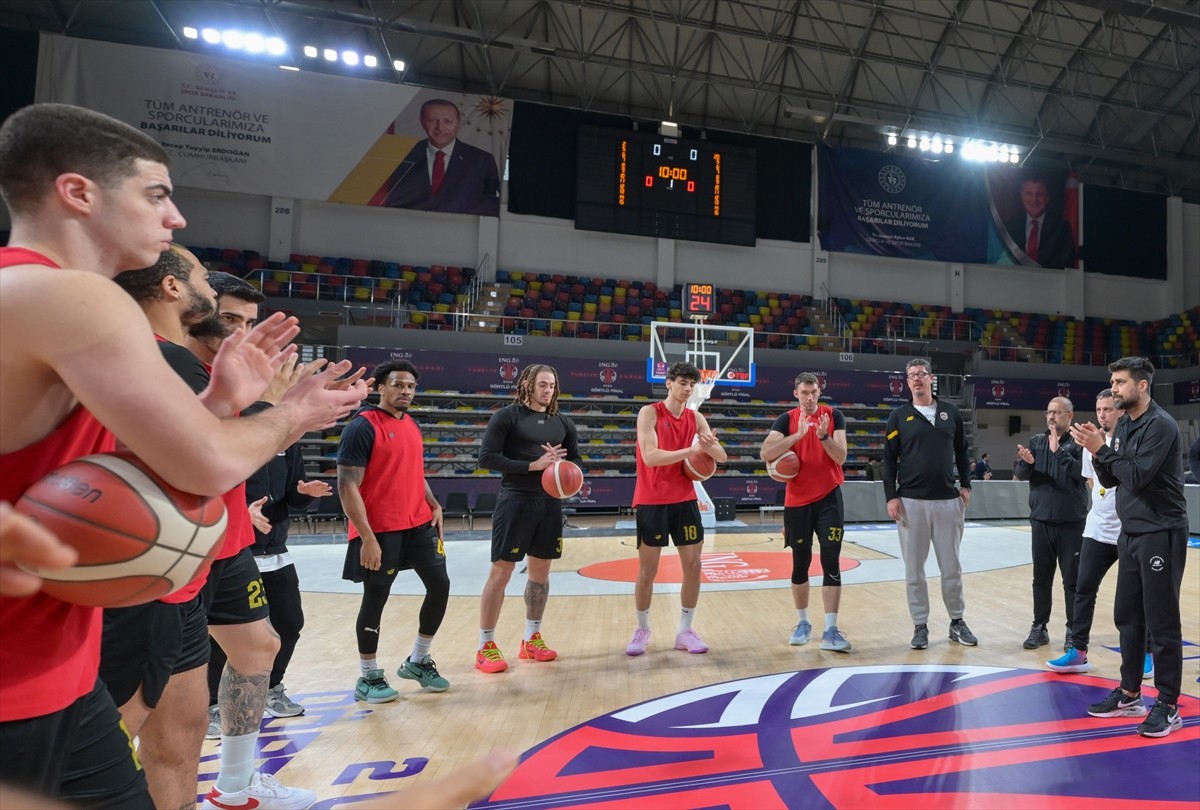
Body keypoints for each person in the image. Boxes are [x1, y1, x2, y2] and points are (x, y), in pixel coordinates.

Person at [0, 103, 366, 808]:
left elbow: (130, 467)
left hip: (58, 671)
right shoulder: (72, 296)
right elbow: (202, 467)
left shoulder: (36, 293)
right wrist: (293, 412)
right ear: (78, 193)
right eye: (157, 194)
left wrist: (219, 406)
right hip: (18, 679)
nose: (177, 220)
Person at [109, 252, 323, 810]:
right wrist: (281, 409)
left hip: (215, 544)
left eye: (251, 323)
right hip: (166, 558)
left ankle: (234, 785)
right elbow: (208, 454)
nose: (243, 333)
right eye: (233, 320)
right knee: (137, 726)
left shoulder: (212, 374)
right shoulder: (166, 363)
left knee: (257, 649)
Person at [1070, 357, 1189, 738]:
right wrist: (1096, 448)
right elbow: (1112, 478)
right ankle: (1129, 692)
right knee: (1128, 617)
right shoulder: (1123, 426)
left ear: (1142, 386)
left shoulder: (1161, 426)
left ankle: (1169, 705)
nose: (1114, 388)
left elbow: (1136, 475)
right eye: (1112, 381)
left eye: (1120, 382)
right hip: (1132, 532)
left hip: (1161, 531)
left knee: (1162, 622)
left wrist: (1102, 449)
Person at [338, 360, 451, 702]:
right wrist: (367, 538)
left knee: (440, 586)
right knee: (376, 598)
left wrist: (433, 503)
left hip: (418, 523)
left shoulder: (412, 425)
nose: (406, 391)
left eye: (411, 387)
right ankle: (368, 676)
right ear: (380, 388)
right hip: (381, 530)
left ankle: (418, 660)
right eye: (398, 385)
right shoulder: (362, 426)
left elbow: (414, 472)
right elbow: (346, 485)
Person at [475, 364, 581, 673]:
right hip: (515, 501)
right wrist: (533, 466)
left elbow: (576, 460)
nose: (548, 390)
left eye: (552, 384)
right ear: (528, 385)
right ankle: (485, 645)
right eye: (543, 384)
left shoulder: (563, 422)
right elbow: (487, 457)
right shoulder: (507, 416)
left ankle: (531, 638)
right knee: (501, 571)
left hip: (548, 505)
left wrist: (564, 468)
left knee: (541, 573)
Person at [1046, 390, 1154, 680]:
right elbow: (1092, 482)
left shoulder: (1133, 440)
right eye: (1098, 408)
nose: (1102, 414)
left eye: (1108, 408)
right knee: (1083, 589)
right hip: (1097, 530)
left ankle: (1144, 652)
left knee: (1138, 597)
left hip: (1129, 530)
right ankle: (1078, 651)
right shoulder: (1088, 443)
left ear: (1120, 412)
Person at [627, 362, 727, 656]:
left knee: (694, 566)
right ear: (668, 383)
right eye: (682, 382)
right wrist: (692, 451)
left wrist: (708, 445)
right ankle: (642, 629)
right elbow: (650, 456)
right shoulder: (650, 413)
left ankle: (685, 631)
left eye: (691, 384)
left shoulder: (696, 418)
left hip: (684, 500)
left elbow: (720, 456)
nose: (687, 389)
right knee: (648, 570)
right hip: (652, 499)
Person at [882, 358, 977, 650]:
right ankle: (920, 625)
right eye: (912, 376)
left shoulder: (951, 412)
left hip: (948, 502)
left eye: (922, 374)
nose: (917, 379)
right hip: (911, 502)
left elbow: (962, 451)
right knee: (914, 570)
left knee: (952, 568)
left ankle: (957, 622)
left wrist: (966, 484)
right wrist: (891, 496)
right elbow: (888, 460)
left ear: (931, 378)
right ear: (907, 382)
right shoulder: (898, 417)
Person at [759, 372, 851, 651]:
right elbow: (765, 453)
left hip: (829, 499)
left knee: (831, 561)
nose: (809, 398)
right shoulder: (786, 420)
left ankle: (831, 629)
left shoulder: (834, 416)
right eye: (804, 393)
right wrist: (797, 435)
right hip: (797, 501)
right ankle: (803, 623)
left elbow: (841, 457)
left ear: (819, 391)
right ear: (796, 393)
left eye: (813, 392)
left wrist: (822, 436)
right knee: (800, 563)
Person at [1013, 397, 1087, 651]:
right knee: (1041, 578)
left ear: (1070, 415)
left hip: (1071, 522)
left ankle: (1073, 631)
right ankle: (1039, 627)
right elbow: (1021, 475)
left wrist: (1058, 452)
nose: (1052, 417)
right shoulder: (1036, 441)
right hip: (1041, 521)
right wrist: (1027, 463)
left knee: (1072, 581)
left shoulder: (1080, 443)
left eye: (1057, 412)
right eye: (1049, 412)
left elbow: (1081, 474)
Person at [373, 98, 501, 216]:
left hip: (460, 233)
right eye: (433, 120)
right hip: (408, 230)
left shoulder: (482, 160)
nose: (440, 127)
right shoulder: (403, 156)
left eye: (447, 121)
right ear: (422, 122)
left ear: (458, 123)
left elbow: (490, 205)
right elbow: (389, 199)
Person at [1003, 177, 1076, 269]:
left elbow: (1067, 263)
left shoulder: (1061, 228)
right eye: (1028, 193)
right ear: (1021, 195)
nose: (1034, 200)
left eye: (1039, 194)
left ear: (1047, 197)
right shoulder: (1009, 227)